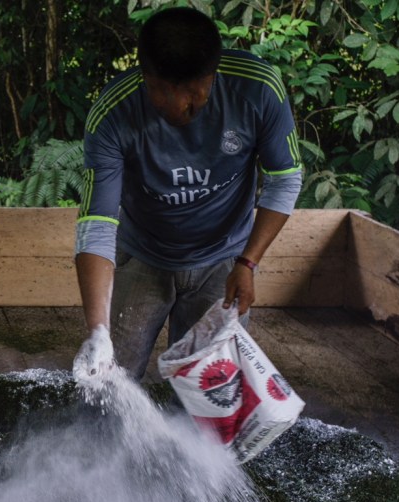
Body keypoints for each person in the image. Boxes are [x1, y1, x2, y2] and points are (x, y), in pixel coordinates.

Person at [72, 6, 303, 385]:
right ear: (145, 77)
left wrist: (248, 263)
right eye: (164, 92)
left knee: (209, 390)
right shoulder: (112, 115)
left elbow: (284, 180)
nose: (180, 106)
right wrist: (97, 330)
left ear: (213, 74)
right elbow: (96, 225)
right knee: (108, 382)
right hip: (142, 255)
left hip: (224, 260)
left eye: (195, 95)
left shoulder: (258, 88)